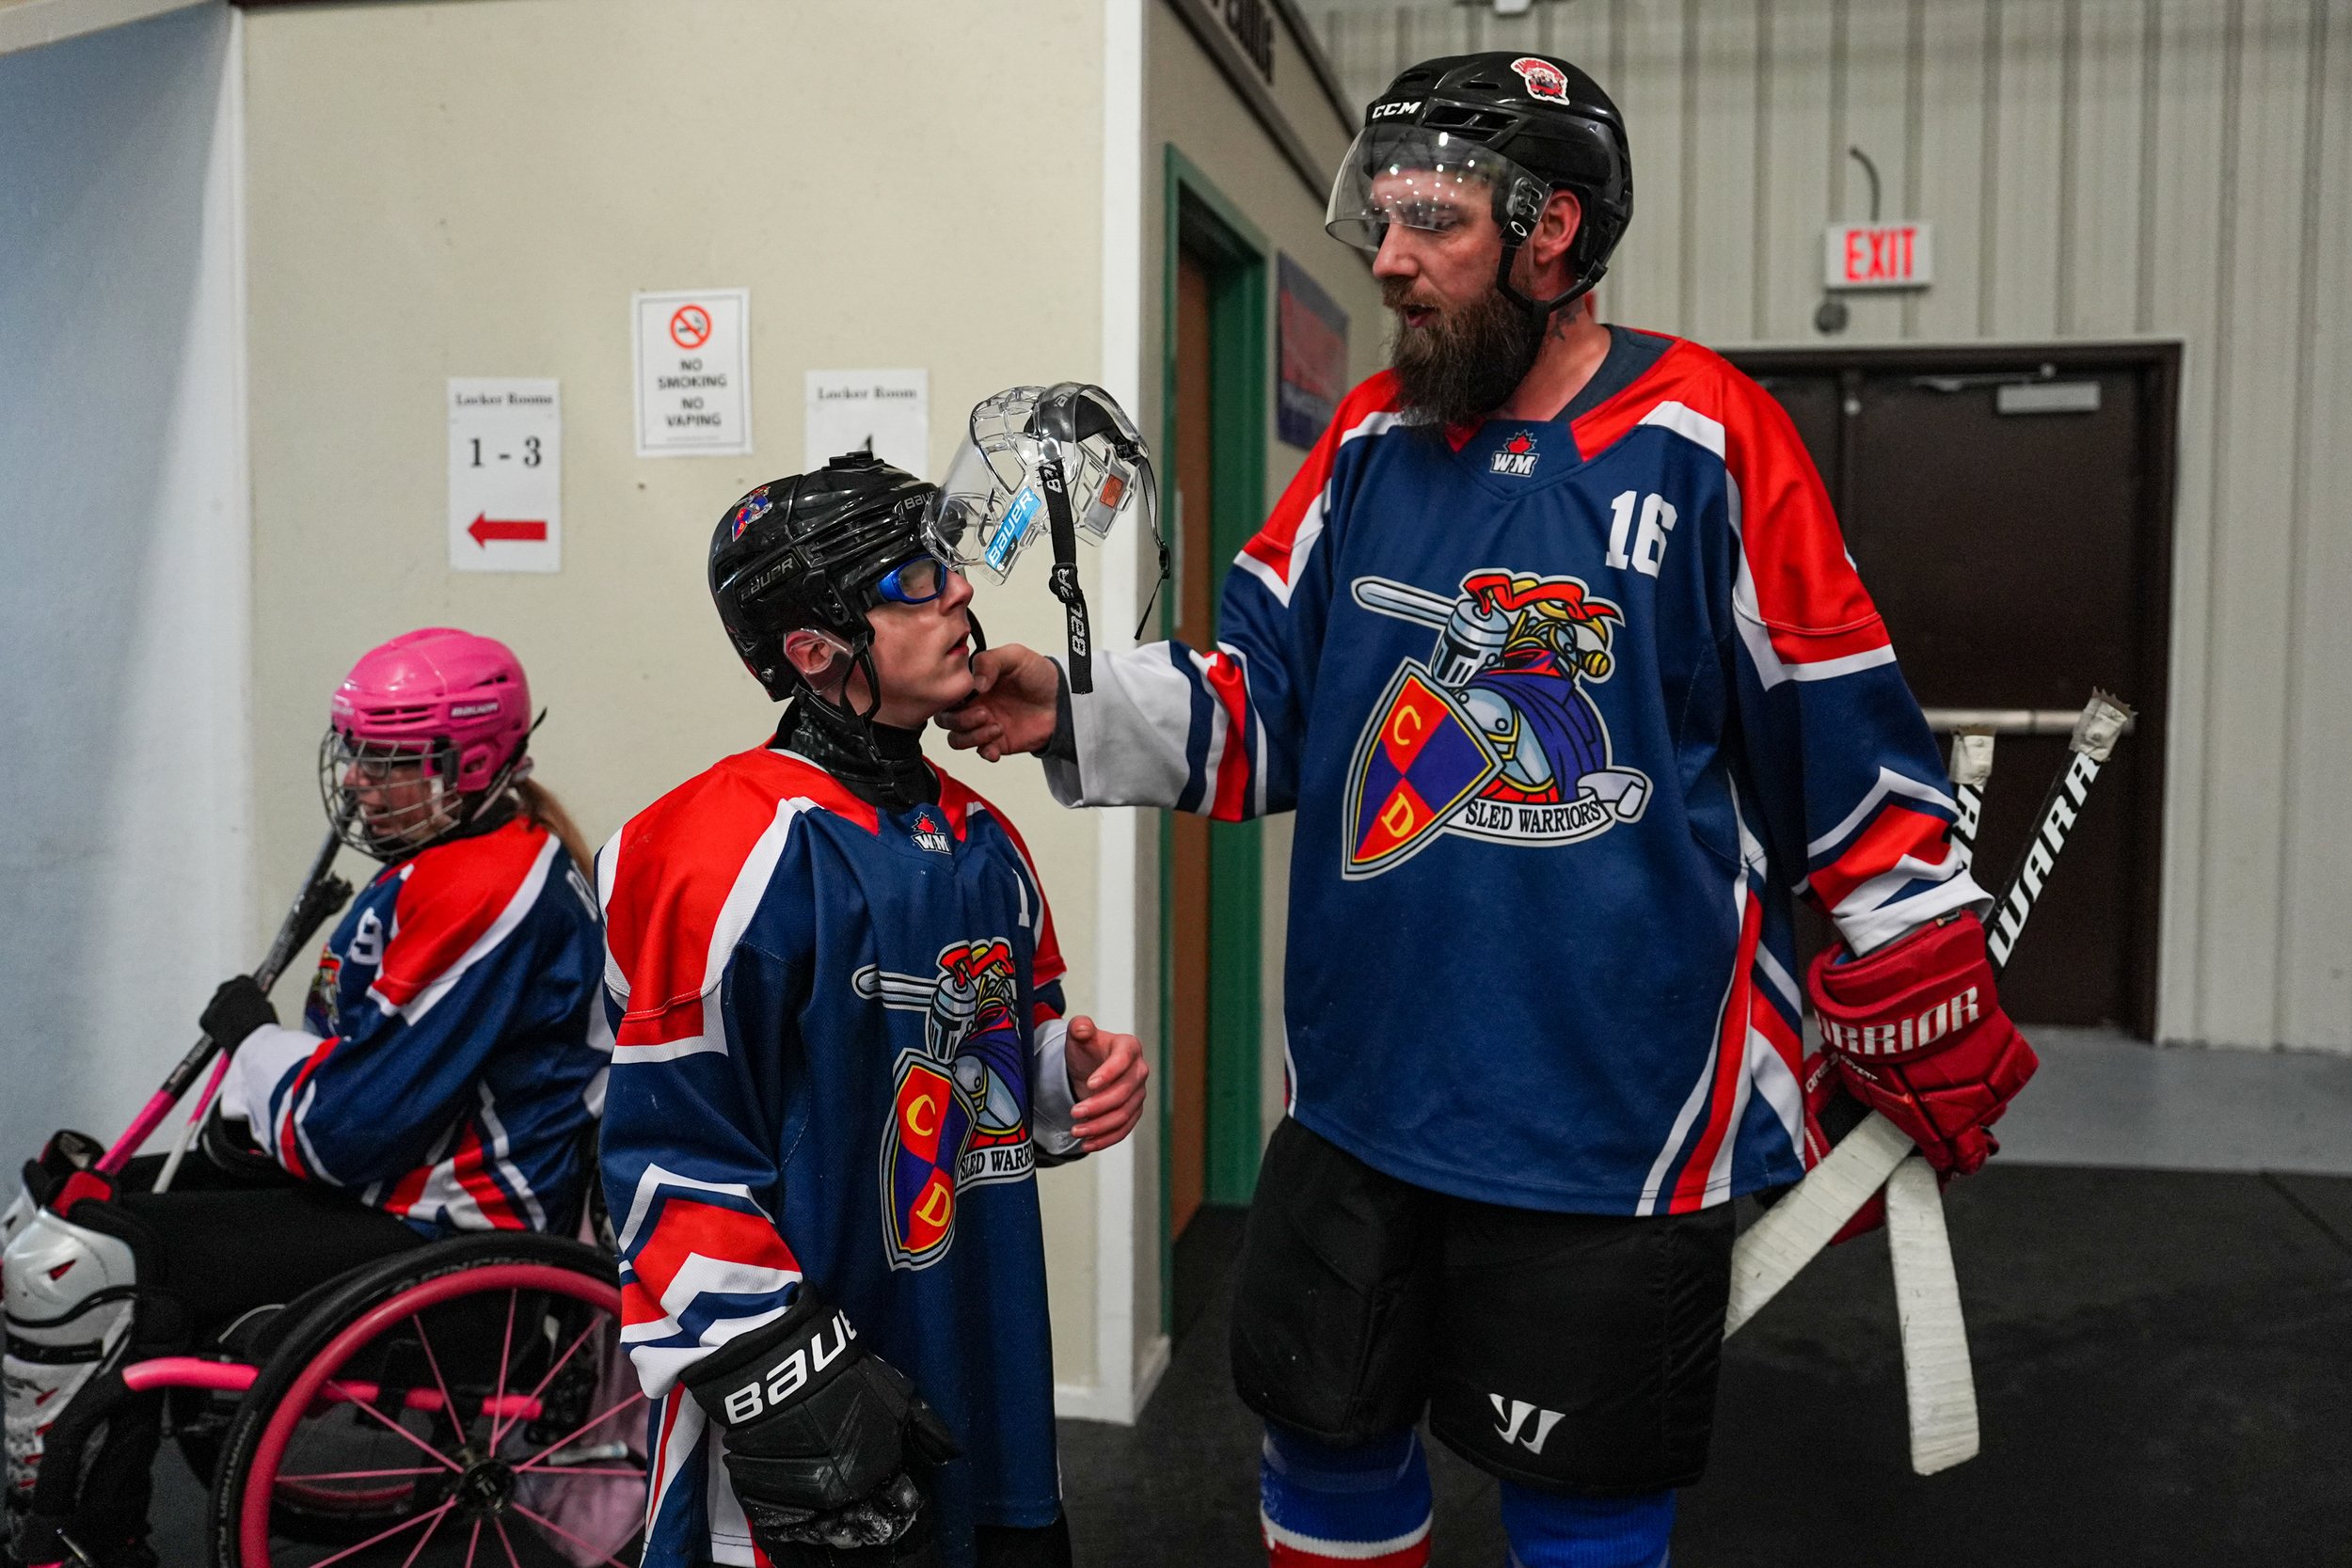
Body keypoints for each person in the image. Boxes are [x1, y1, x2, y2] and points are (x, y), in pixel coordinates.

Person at [940, 52, 2037, 1568]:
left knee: (1584, 1520)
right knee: (1322, 1468)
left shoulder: (1709, 438)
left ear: (1554, 234)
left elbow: (1838, 732)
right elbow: (1267, 700)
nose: (1384, 256)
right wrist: (1067, 704)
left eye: (1429, 221)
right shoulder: (1372, 441)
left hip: (1612, 1119)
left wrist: (1914, 952)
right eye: (1377, 215)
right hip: (1361, 1095)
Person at [596, 451, 1149, 1568]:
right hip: (822, 1379)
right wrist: (782, 1378)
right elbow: (666, 1156)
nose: (954, 592)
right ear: (813, 650)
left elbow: (967, 1081)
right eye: (907, 578)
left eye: (944, 562)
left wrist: (1062, 1076)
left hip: (977, 1340)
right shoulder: (716, 847)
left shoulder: (986, 838)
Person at [2, 627, 608, 1568]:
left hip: (446, 1230)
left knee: (85, 1258)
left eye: (390, 758)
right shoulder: (449, 865)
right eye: (357, 751)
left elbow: (346, 1127)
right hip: (393, 1195)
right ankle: (94, 1509)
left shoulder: (492, 890)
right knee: (95, 1217)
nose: (360, 780)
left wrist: (255, 1043)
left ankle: (74, 1520)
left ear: (472, 762)